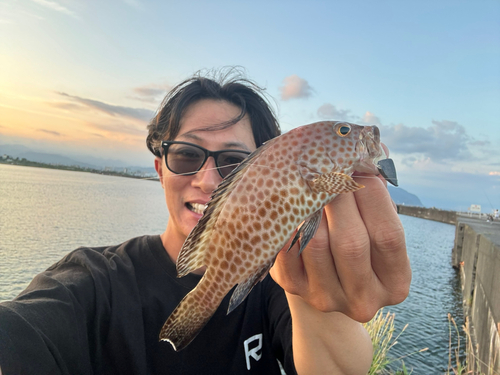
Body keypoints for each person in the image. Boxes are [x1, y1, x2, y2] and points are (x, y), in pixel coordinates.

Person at [0, 68, 411, 375]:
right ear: (160, 169)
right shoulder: (92, 283)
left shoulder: (280, 287)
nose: (209, 180)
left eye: (234, 163)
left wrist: (315, 295)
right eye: (185, 154)